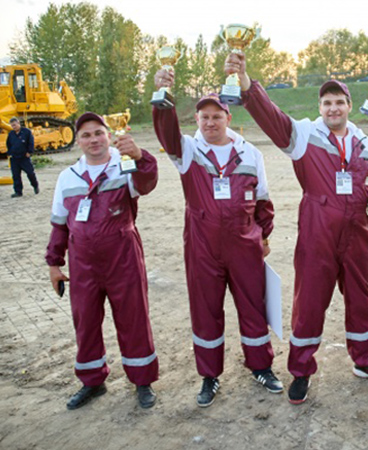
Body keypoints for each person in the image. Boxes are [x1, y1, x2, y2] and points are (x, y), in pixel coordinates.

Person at [224, 53, 368, 405]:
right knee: (309, 303)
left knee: (361, 299)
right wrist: (246, 84)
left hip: (357, 233)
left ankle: (365, 361)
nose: (333, 108)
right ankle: (302, 371)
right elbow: (271, 117)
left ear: (350, 105)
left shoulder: (367, 145)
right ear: (319, 106)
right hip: (317, 231)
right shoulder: (304, 135)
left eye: (339, 102)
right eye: (327, 102)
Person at [153, 70, 282, 408]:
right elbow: (166, 133)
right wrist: (163, 94)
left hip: (244, 244)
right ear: (196, 119)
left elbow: (264, 200)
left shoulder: (251, 153)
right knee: (206, 310)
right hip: (203, 246)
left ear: (228, 117)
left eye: (217, 116)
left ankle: (262, 366)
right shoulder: (187, 151)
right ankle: (210, 376)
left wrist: (264, 235)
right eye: (204, 117)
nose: (210, 122)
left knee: (253, 306)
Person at [45, 112, 160, 410]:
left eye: (99, 133)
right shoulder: (67, 177)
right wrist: (54, 264)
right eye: (86, 135)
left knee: (133, 318)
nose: (93, 139)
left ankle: (142, 380)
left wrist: (140, 155)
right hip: (83, 263)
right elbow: (59, 224)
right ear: (78, 141)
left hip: (123, 256)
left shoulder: (123, 167)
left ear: (109, 136)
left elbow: (147, 182)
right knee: (85, 321)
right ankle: (92, 381)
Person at [6, 117, 39, 198]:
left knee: (30, 173)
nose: (14, 127)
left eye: (15, 125)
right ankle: (18, 191)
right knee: (16, 175)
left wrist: (29, 152)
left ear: (18, 123)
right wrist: (10, 153)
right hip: (14, 158)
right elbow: (8, 144)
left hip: (24, 157)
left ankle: (35, 185)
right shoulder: (11, 134)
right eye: (12, 126)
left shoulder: (26, 132)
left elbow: (31, 142)